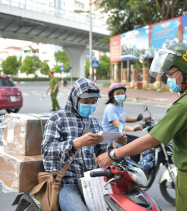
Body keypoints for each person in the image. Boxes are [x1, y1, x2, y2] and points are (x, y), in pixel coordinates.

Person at [96, 43, 187, 211]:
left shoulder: (185, 104)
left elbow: (150, 141)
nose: (169, 79)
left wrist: (113, 154)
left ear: (185, 70)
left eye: (171, 74)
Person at [41, 78, 127, 211]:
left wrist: (115, 144)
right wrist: (75, 143)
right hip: (66, 184)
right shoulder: (57, 119)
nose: (90, 105)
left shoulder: (93, 122)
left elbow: (102, 153)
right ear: (75, 100)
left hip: (90, 182)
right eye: (86, 102)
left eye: (93, 102)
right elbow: (46, 150)